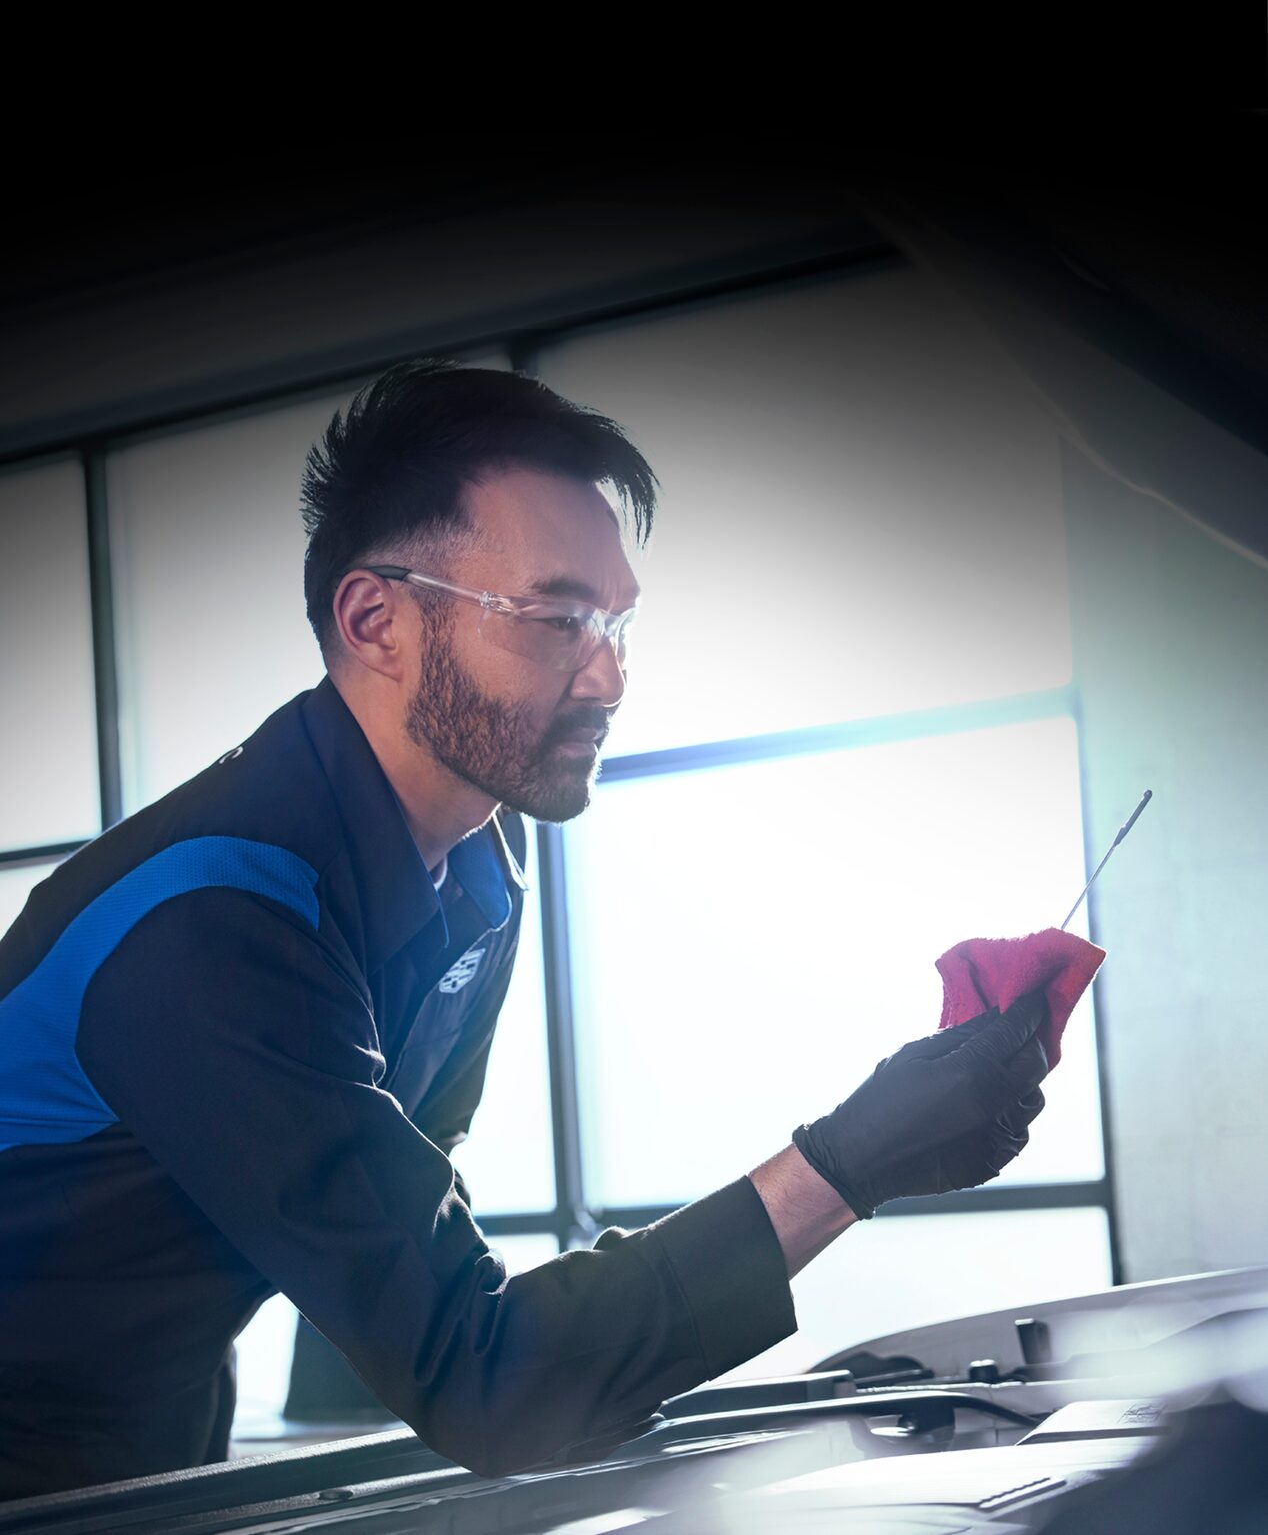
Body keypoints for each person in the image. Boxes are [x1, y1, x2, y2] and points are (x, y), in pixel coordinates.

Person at [0, 360, 1049, 1500]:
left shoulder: (480, 869)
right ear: (375, 621)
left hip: (152, 1441)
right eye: (558, 621)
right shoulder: (210, 921)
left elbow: (398, 1209)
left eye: (618, 623)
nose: (609, 677)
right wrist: (845, 1165)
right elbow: (479, 1372)